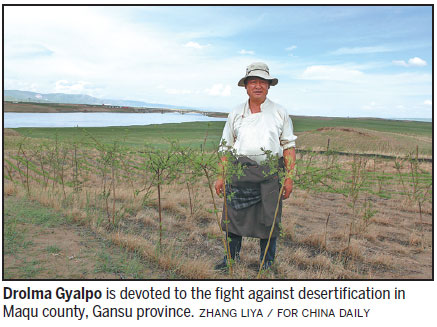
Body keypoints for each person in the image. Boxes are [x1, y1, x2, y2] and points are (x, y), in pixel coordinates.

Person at [214, 62, 297, 271]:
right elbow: (225, 146)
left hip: (269, 175)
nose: (258, 86)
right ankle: (230, 260)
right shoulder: (235, 113)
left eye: (262, 82)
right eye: (253, 82)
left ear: (269, 86)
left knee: (270, 219)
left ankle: (266, 264)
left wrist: (289, 177)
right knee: (233, 219)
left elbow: (288, 146)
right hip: (239, 174)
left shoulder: (280, 112)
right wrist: (221, 175)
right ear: (246, 86)